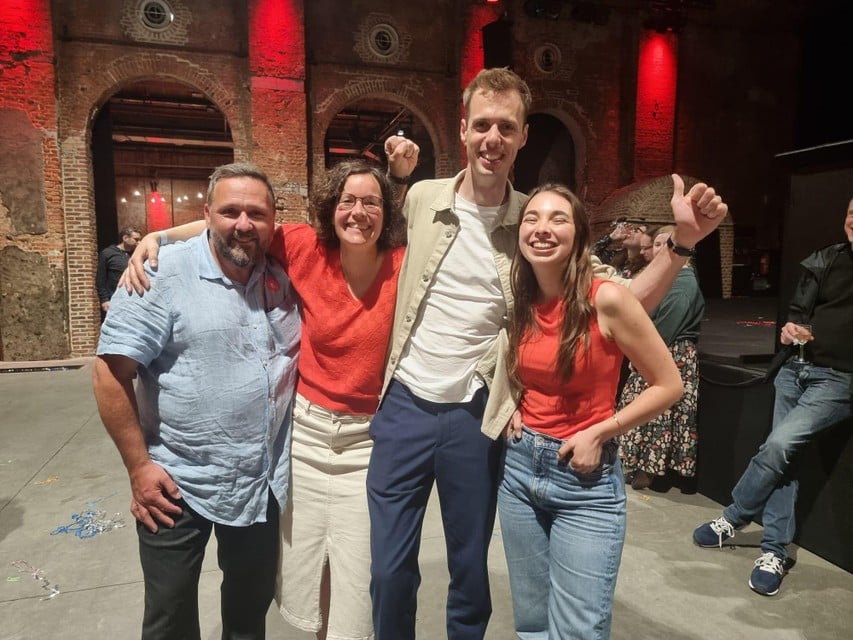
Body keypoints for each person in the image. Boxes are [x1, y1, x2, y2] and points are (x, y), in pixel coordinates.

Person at [367, 66, 728, 640]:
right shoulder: (421, 199)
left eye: (506, 127)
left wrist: (681, 245)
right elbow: (354, 235)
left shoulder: (533, 222)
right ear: (462, 129)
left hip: (477, 414)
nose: (492, 138)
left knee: (469, 573)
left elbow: (616, 299)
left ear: (522, 137)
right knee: (387, 573)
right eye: (481, 124)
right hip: (405, 404)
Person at [121, 155, 415, 640]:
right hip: (302, 436)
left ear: (388, 212)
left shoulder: (404, 266)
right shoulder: (304, 247)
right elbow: (238, 220)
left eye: (371, 202)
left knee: (358, 573)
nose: (358, 212)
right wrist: (162, 236)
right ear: (330, 208)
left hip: (366, 443)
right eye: (347, 201)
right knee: (299, 571)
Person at [92, 163, 301, 639]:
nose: (243, 224)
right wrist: (139, 467)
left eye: (256, 213)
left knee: (249, 615)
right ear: (206, 213)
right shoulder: (161, 275)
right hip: (175, 483)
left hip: (260, 482)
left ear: (273, 220)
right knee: (169, 618)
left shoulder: (284, 273)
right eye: (229, 211)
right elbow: (110, 373)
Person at [483, 184, 683, 639]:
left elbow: (669, 385)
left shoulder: (606, 298)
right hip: (518, 470)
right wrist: (513, 400)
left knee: (578, 630)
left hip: (584, 481)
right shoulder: (522, 298)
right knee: (532, 624)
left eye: (558, 219)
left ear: (579, 235)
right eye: (532, 218)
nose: (542, 228)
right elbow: (522, 365)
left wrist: (600, 431)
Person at [693, 198, 853, 597]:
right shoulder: (828, 259)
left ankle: (735, 515)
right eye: (851, 213)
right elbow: (799, 313)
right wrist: (791, 329)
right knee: (786, 458)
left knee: (778, 444)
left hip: (837, 381)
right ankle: (775, 552)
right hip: (795, 370)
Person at [619, 224, 705, 492]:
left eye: (666, 244)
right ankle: (636, 463)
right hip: (656, 349)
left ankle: (649, 469)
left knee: (658, 413)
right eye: (656, 244)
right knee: (641, 408)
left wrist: (644, 354)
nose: (659, 249)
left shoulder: (684, 280)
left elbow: (668, 323)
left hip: (669, 353)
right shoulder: (668, 278)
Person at [96, 226, 141, 316]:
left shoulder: (138, 254)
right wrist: (105, 300)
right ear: (125, 238)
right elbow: (100, 279)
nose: (139, 242)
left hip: (136, 300)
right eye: (136, 239)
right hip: (115, 300)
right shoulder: (108, 253)